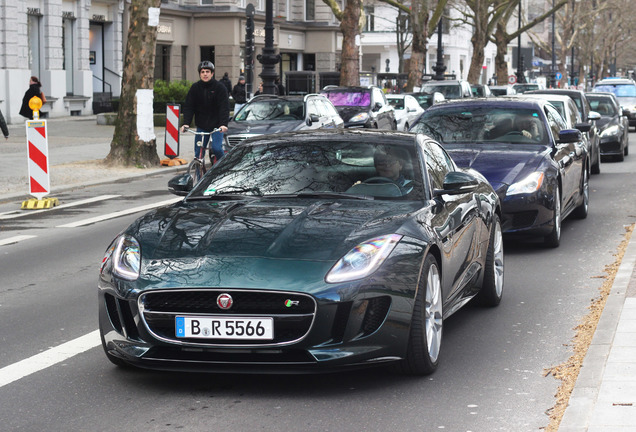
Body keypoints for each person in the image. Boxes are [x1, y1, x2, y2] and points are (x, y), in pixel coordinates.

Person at [180, 61, 229, 164]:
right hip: (202, 126)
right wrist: (186, 123)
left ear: (212, 73)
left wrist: (223, 124)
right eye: (202, 72)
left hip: (216, 126)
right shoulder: (195, 88)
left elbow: (224, 108)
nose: (205, 74)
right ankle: (199, 177)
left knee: (216, 148)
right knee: (198, 154)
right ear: (200, 74)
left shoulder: (220, 88)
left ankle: (224, 167)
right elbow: (189, 106)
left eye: (207, 71)